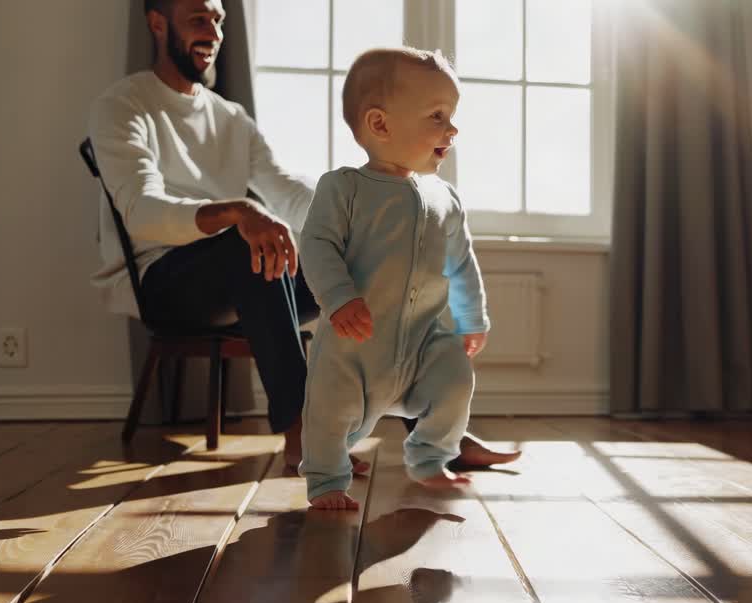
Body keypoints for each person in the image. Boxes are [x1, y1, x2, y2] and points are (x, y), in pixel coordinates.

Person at [87, 0, 520, 474]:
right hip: (166, 281)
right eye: (197, 19)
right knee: (249, 244)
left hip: (243, 272)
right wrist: (239, 212)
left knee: (365, 261)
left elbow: (287, 191)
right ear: (157, 24)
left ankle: (439, 429)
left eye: (218, 20)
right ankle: (304, 435)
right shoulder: (123, 105)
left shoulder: (230, 117)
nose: (212, 30)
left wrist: (362, 218)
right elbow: (141, 212)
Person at [298, 47, 488, 511]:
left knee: (456, 379)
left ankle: (429, 458)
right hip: (353, 343)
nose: (452, 128)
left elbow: (462, 262)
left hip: (424, 340)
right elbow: (317, 246)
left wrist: (471, 317)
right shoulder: (343, 188)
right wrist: (339, 299)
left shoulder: (446, 198)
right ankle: (326, 480)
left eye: (453, 115)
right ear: (380, 125)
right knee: (330, 410)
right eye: (437, 116)